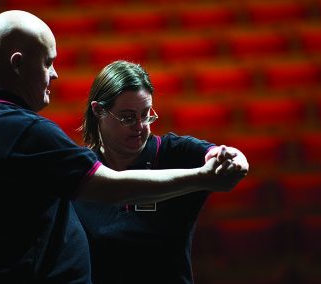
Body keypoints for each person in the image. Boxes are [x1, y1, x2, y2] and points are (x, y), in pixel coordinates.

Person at [0, 10, 248, 284]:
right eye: (48, 62)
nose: (54, 74)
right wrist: (203, 178)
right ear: (17, 64)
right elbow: (110, 187)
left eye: (147, 115)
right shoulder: (21, 129)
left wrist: (223, 158)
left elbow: (215, 153)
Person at [73, 60, 249, 284]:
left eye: (146, 114)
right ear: (98, 110)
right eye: (127, 117)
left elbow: (228, 157)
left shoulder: (175, 152)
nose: (140, 126)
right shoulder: (80, 168)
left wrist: (232, 159)